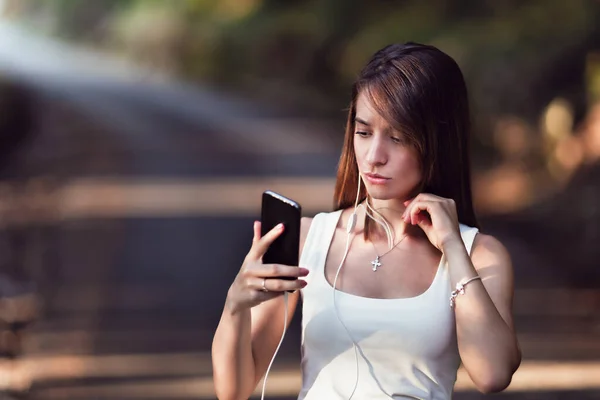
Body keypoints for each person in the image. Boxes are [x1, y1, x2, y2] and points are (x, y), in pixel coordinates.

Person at [212, 42, 521, 400]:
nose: (374, 156)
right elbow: (232, 391)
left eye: (398, 137)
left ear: (439, 141)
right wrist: (235, 306)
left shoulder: (479, 255)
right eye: (363, 133)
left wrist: (453, 247)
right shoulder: (307, 239)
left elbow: (493, 373)